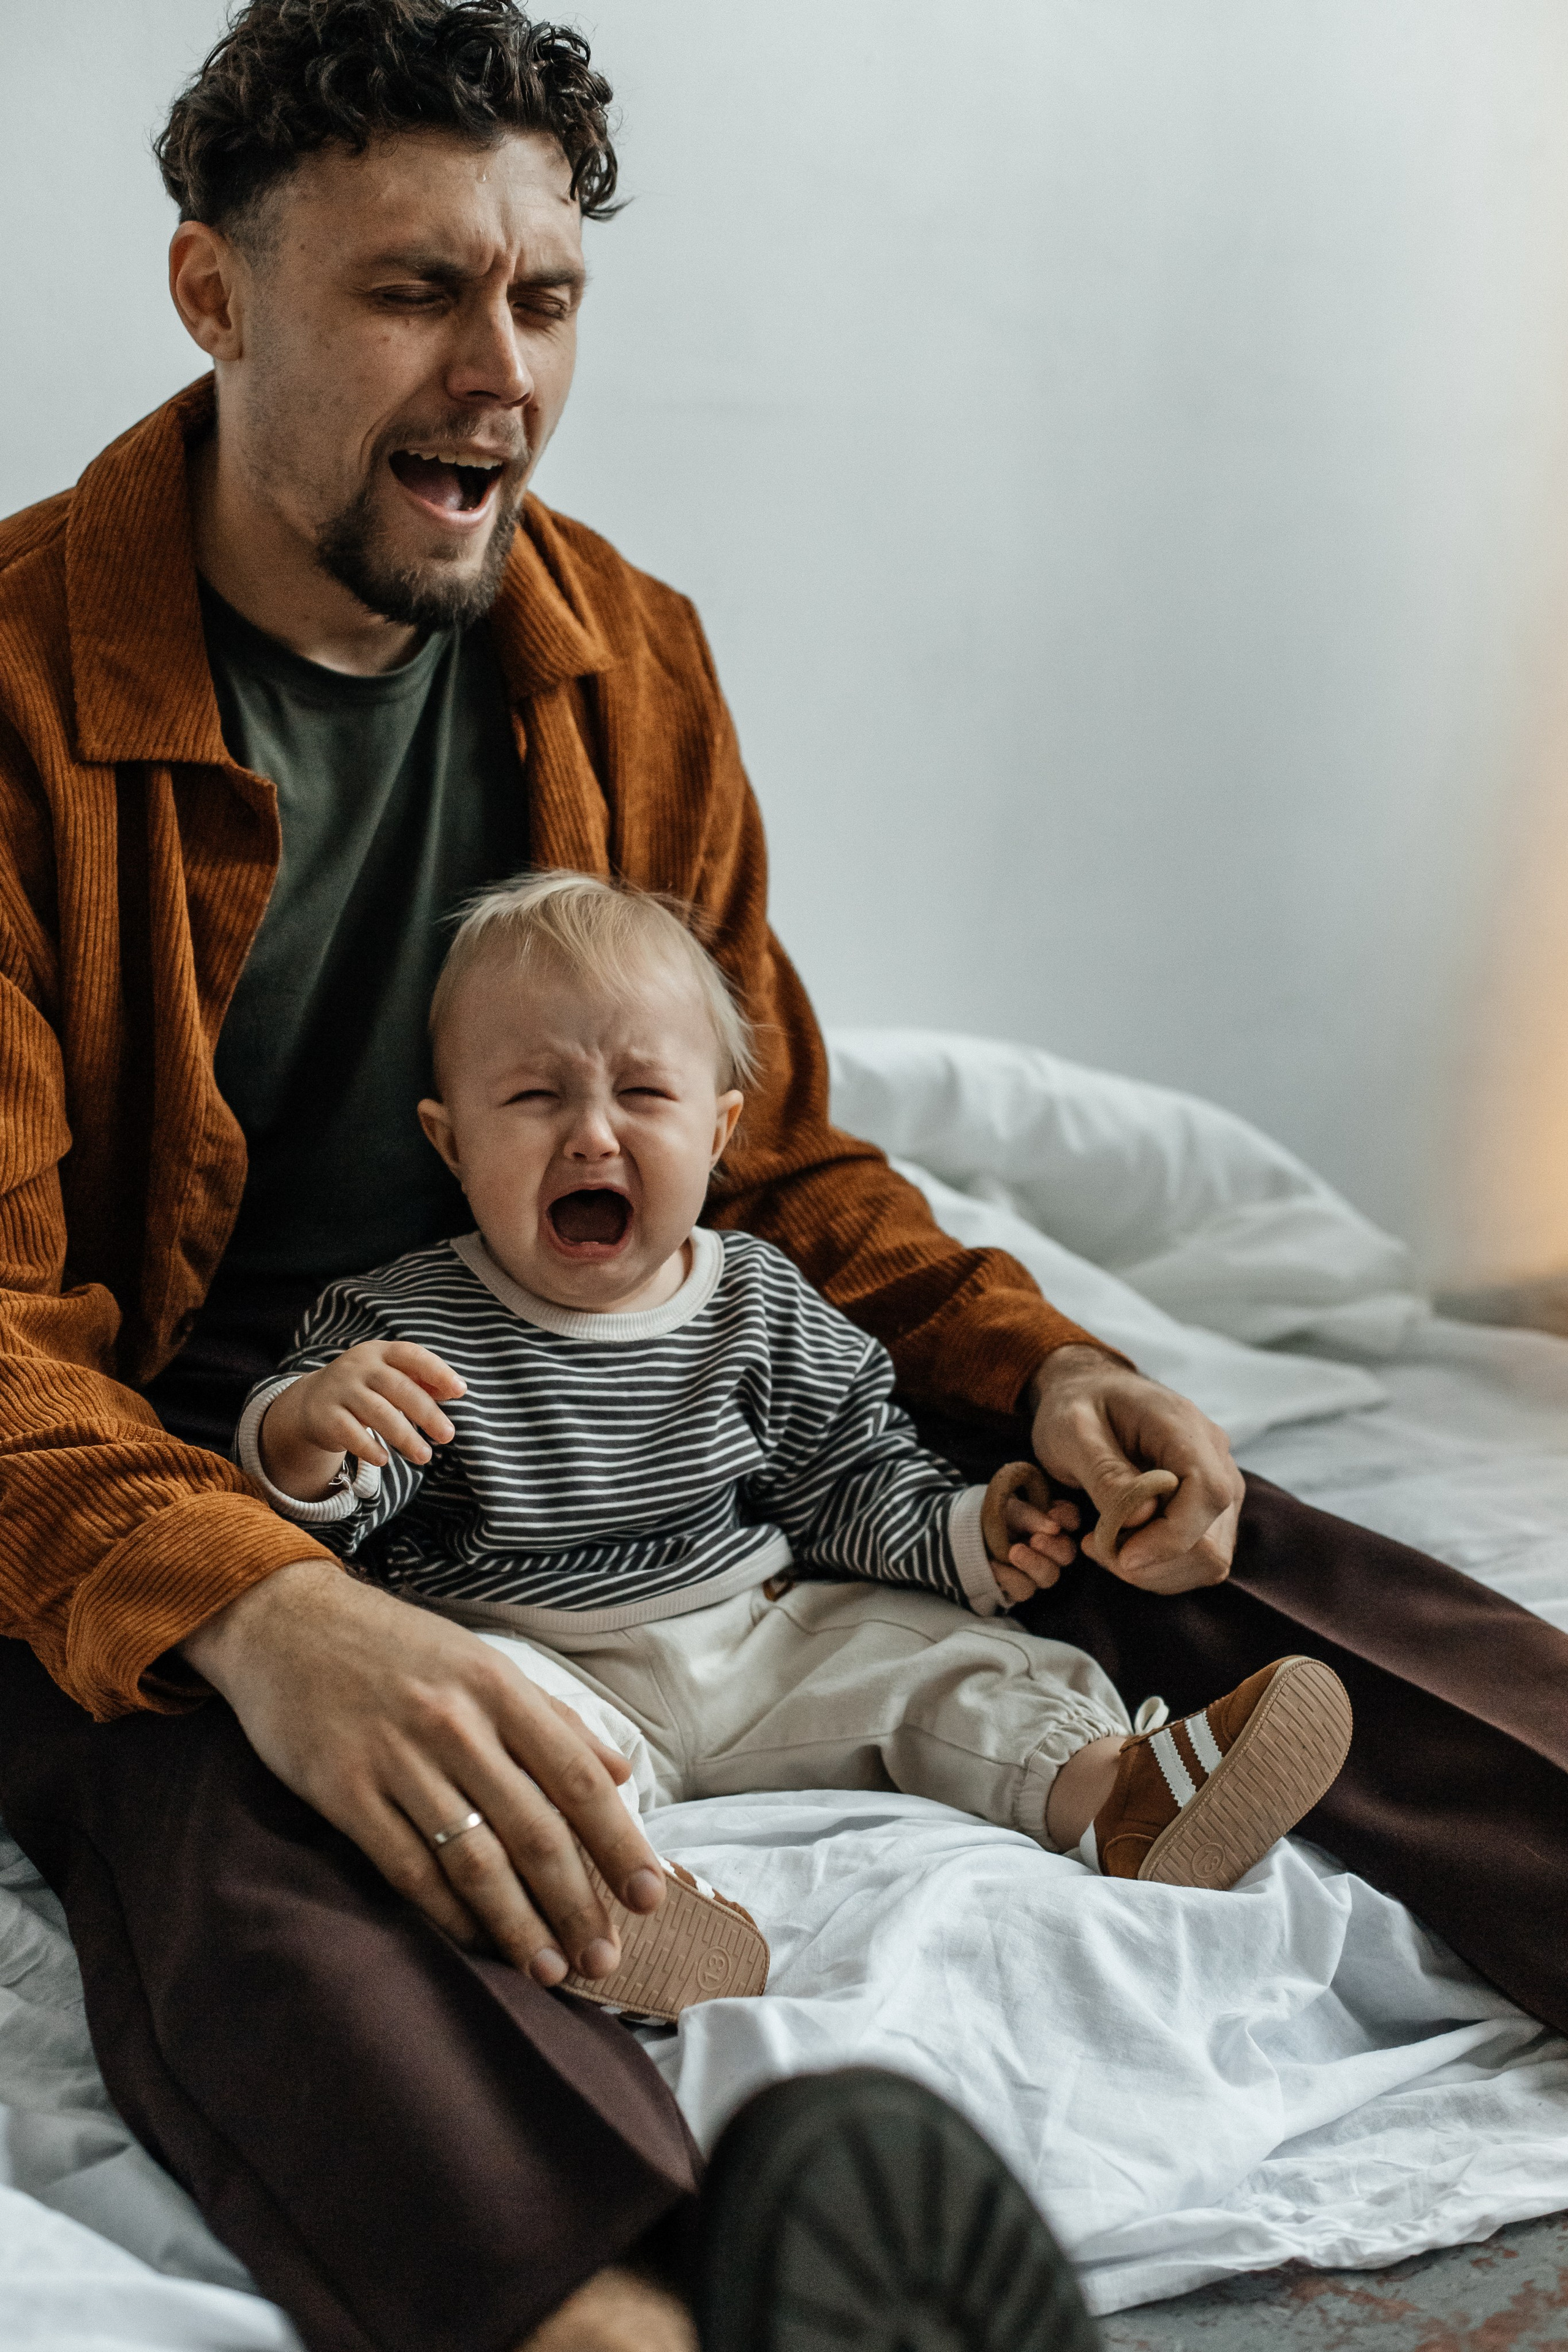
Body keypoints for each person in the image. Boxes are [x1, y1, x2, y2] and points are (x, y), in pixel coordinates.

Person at [0, 1, 1565, 2346]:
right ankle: (658, 2311)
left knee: (1204, 1551)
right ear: (213, 295)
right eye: (412, 291)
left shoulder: (624, 657)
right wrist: (280, 1617)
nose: (496, 374)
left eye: (543, 300)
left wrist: (1040, 1369)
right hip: (200, 1452)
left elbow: (787, 1156)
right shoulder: (16, 691)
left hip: (627, 1362)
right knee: (255, 1802)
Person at [238, 865, 1355, 2004]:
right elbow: (330, 1515)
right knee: (502, 1736)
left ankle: (1117, 1791)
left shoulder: (759, 1300)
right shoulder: (406, 1320)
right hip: (541, 1646)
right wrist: (307, 1433)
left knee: (953, 1665)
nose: (590, 1136)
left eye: (643, 1094)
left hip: (761, 1635)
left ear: (721, 1129)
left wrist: (975, 1531)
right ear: (450, 1141)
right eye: (532, 1098)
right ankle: (617, 1899)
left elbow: (846, 1475)